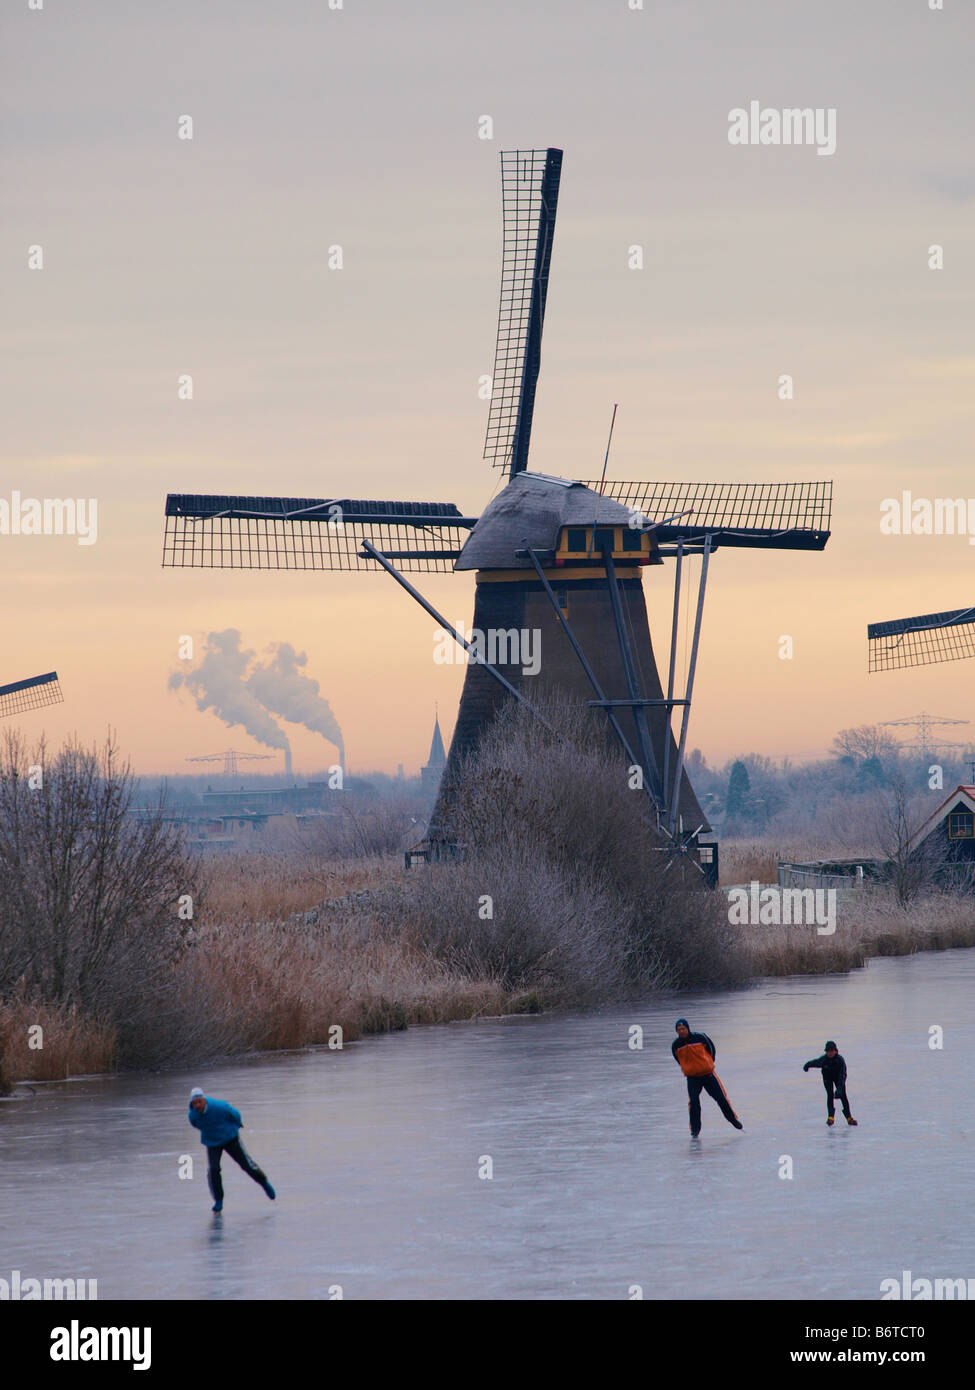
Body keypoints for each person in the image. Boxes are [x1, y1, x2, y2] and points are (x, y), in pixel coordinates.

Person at [188, 1087, 276, 1212]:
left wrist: (236, 1125)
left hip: (230, 1138)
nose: (197, 1105)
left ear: (204, 1100)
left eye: (199, 1102)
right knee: (213, 1170)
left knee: (246, 1164)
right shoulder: (193, 1116)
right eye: (194, 1103)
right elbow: (197, 1125)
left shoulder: (219, 1107)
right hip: (212, 1142)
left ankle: (264, 1183)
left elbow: (235, 1114)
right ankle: (218, 1200)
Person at [671, 1018, 743, 1137]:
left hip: (708, 1075)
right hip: (692, 1078)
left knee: (721, 1098)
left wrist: (708, 1063)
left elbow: (711, 1050)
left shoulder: (700, 1037)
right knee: (693, 1102)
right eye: (679, 1030)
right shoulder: (676, 1045)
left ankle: (732, 1119)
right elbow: (678, 1059)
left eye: (683, 1029)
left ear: (688, 1028)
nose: (681, 1031)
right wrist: (688, 1068)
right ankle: (695, 1130)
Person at [803, 1041, 857, 1126]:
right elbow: (815, 1062)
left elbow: (842, 1075)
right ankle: (830, 1117)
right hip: (827, 1078)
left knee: (843, 1095)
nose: (830, 1053)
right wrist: (807, 1065)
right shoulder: (824, 1059)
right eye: (828, 1051)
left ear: (836, 1051)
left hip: (838, 1078)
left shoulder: (840, 1060)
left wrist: (839, 1088)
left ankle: (849, 1118)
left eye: (832, 1050)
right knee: (830, 1095)